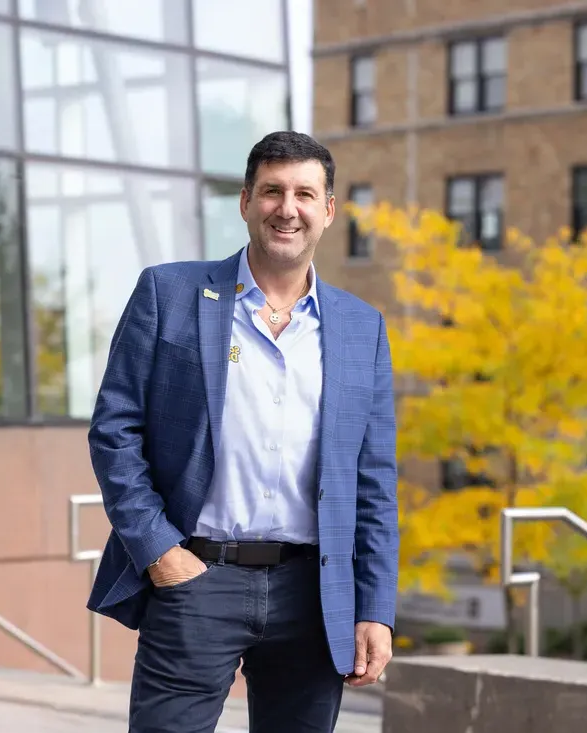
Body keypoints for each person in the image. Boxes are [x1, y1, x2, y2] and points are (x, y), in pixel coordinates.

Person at [86, 130, 399, 733]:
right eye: (272, 191)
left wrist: (375, 608)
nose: (288, 208)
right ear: (246, 202)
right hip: (195, 578)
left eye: (305, 194)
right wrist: (160, 552)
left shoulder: (364, 328)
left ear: (328, 210)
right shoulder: (169, 293)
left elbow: (374, 481)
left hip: (314, 592)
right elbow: (114, 429)